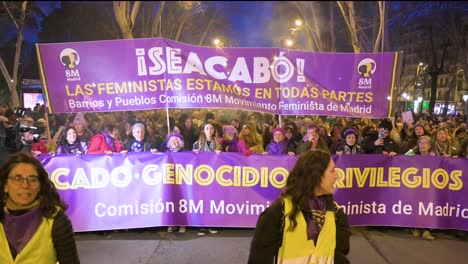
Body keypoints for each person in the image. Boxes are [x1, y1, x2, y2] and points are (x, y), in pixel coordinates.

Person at [248, 150, 350, 263]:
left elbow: (339, 255)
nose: (337, 176)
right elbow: (258, 258)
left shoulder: (336, 214)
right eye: (332, 171)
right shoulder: (278, 212)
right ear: (316, 175)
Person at [0, 152, 80, 263]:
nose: (25, 185)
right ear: (5, 186)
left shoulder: (55, 218)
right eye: (17, 179)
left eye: (32, 179)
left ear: (40, 186)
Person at [164, 132, 187, 233]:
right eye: (172, 140)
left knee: (182, 203)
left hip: (183, 182)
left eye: (177, 139)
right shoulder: (164, 153)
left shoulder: (186, 153)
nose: (175, 141)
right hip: (170, 181)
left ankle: (183, 224)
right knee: (170, 202)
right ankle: (171, 223)